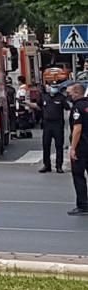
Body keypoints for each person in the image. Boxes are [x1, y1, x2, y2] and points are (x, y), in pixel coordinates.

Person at [66, 83, 88, 216]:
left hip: (82, 147)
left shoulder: (77, 108)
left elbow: (77, 129)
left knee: (79, 176)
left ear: (77, 93)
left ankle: (83, 205)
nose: (68, 95)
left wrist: (73, 148)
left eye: (70, 93)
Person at [37, 82, 67, 173]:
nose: (54, 88)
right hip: (47, 124)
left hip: (58, 124)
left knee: (59, 146)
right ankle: (47, 165)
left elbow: (67, 107)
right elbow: (39, 106)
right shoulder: (44, 97)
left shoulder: (61, 97)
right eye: (52, 87)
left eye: (55, 87)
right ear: (48, 87)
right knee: (46, 145)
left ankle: (59, 166)